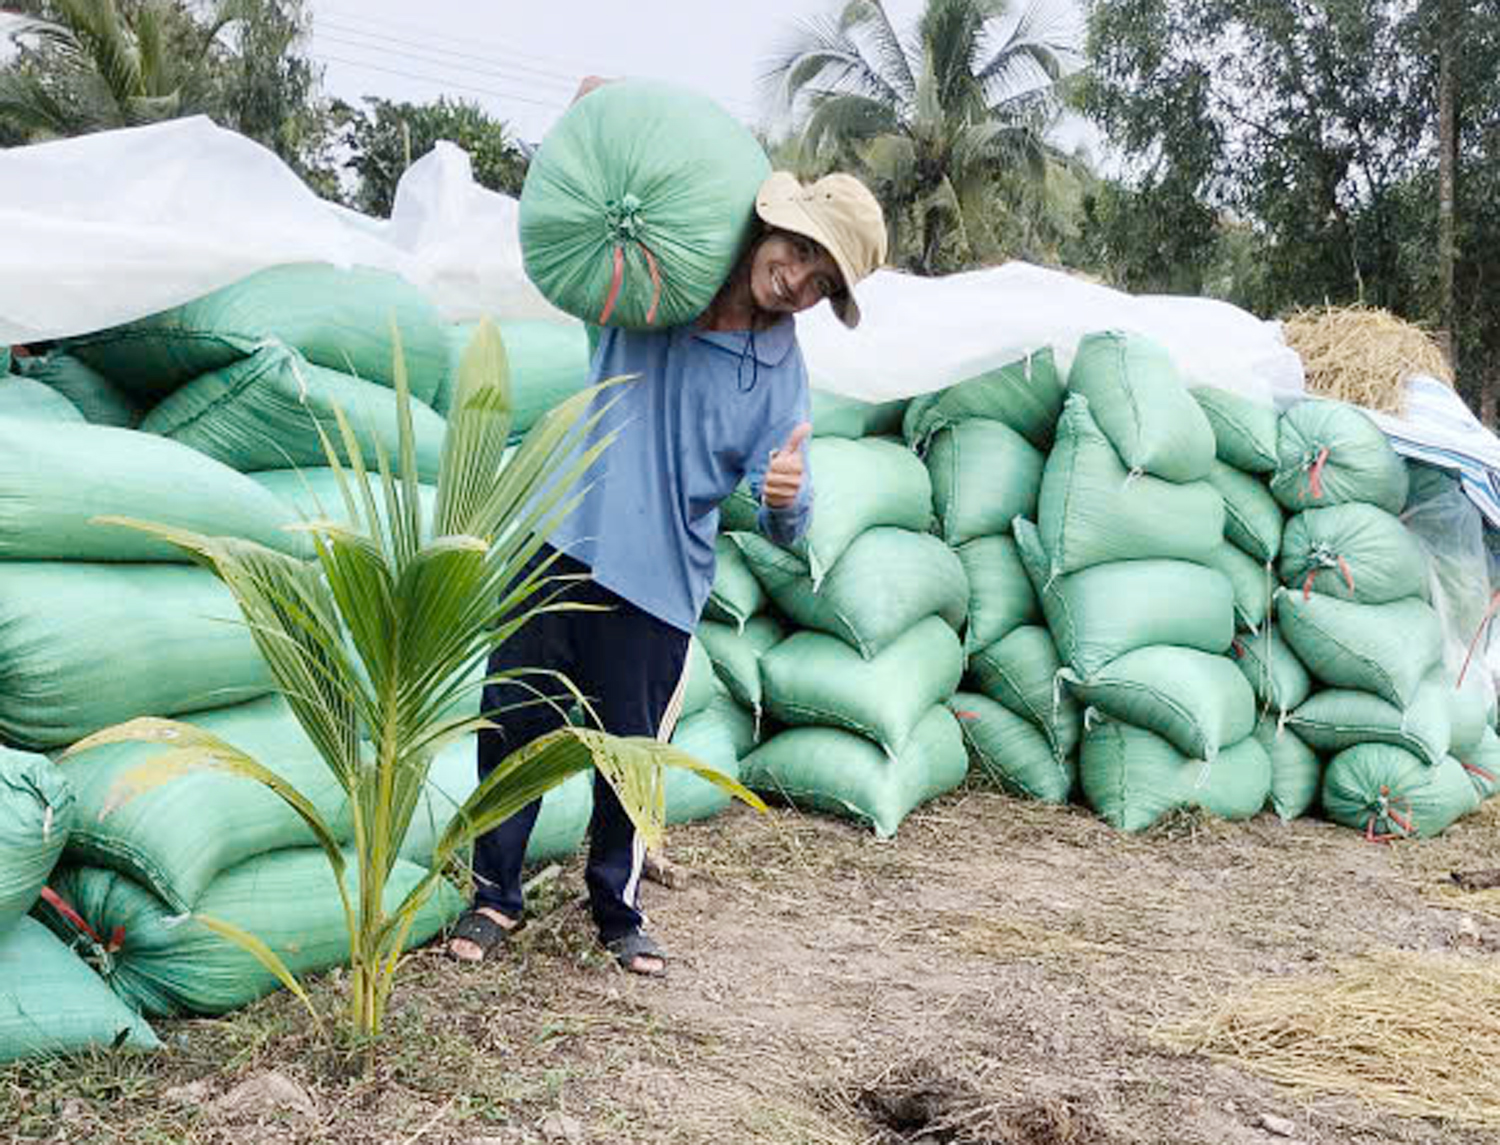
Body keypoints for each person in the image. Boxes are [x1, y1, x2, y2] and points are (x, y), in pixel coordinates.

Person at [446, 146, 887, 977]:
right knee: (514, 721)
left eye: (822, 279)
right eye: (799, 250)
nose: (797, 279)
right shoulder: (655, 289)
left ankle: (615, 906)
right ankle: (495, 892)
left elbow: (786, 518)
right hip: (562, 539)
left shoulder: (778, 370)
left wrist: (787, 494)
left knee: (630, 756)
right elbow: (597, 168)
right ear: (771, 223)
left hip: (659, 580)